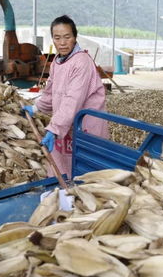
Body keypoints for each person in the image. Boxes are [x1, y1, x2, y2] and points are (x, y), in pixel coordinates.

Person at [21, 15, 109, 179]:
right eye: (57, 38)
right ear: (52, 39)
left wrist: (54, 129)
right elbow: (51, 91)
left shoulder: (81, 61)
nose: (62, 42)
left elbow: (72, 100)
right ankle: (64, 195)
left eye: (67, 37)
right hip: (65, 123)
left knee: (86, 172)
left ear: (75, 38)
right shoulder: (57, 61)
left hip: (86, 125)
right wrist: (35, 107)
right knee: (65, 168)